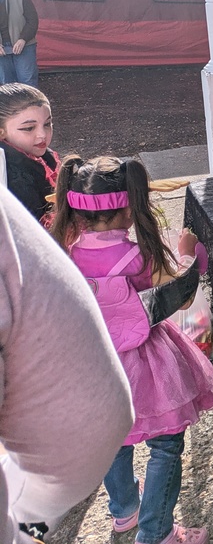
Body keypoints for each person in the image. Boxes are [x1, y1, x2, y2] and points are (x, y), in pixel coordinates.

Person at [50, 155, 213, 544]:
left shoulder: (64, 254)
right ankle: (156, 533)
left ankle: (125, 510)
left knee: (112, 438)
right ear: (130, 207)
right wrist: (190, 252)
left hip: (92, 366)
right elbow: (180, 295)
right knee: (165, 444)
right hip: (147, 364)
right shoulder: (139, 256)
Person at [1, 185, 135, 544]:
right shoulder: (133, 257)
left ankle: (124, 507)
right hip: (31, 497)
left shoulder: (74, 251)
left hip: (35, 496)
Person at [0, 83, 59, 222]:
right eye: (29, 128)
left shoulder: (43, 155)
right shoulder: (13, 178)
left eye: (47, 124)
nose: (42, 135)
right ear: (1, 132)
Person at [0, 0, 40, 88]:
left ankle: (31, 107)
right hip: (2, 50)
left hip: (24, 46)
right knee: (8, 87)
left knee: (27, 83)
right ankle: (12, 109)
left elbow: (32, 20)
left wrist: (23, 39)